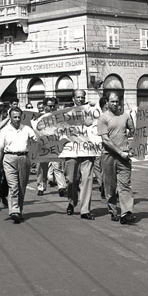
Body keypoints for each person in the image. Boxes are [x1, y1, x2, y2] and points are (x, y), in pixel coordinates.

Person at [96, 92, 136, 224]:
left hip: (124, 157)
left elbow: (134, 131)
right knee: (110, 186)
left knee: (125, 185)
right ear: (107, 102)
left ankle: (126, 213)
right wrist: (119, 152)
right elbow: (105, 140)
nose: (115, 104)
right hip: (109, 156)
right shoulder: (103, 118)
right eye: (112, 101)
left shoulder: (125, 116)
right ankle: (113, 210)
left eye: (117, 101)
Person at [0, 106, 37, 223]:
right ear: (10, 117)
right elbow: (0, 150)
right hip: (9, 158)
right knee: (13, 186)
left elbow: (37, 139)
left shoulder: (26, 129)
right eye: (15, 117)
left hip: (24, 158)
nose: (17, 119)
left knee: (22, 187)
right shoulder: (4, 131)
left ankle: (19, 211)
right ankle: (14, 211)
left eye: (19, 117)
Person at [63, 89, 97, 220]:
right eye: (78, 97)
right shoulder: (66, 113)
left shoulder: (90, 112)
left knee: (87, 180)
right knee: (71, 180)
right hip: (71, 151)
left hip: (87, 151)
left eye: (82, 97)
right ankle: (72, 201)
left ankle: (85, 210)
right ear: (73, 99)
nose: (81, 99)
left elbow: (93, 125)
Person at [34, 97, 67, 198]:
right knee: (41, 168)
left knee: (58, 166)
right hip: (42, 145)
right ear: (45, 107)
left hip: (55, 145)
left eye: (54, 106)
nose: (52, 108)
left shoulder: (59, 118)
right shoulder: (38, 118)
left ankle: (62, 187)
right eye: (50, 106)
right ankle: (41, 186)